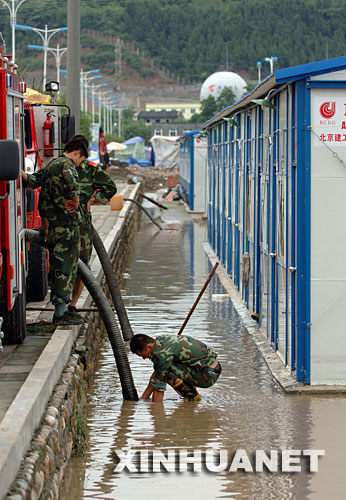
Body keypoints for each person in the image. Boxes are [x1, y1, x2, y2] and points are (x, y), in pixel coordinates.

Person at [22, 136, 89, 325]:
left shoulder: (52, 165)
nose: (78, 164)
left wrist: (20, 173)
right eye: (80, 160)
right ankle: (61, 314)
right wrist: (75, 201)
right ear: (77, 153)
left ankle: (61, 309)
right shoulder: (67, 165)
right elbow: (72, 183)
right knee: (66, 269)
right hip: (67, 226)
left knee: (58, 267)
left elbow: (34, 182)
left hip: (52, 227)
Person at [65, 135, 117, 317]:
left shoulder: (92, 170)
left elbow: (111, 188)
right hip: (62, 225)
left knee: (83, 265)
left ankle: (72, 304)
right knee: (63, 264)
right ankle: (61, 303)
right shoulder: (60, 168)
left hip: (82, 226)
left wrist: (95, 199)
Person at [130, 333, 222, 402]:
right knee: (161, 370)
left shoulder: (162, 355)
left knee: (166, 373)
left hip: (207, 376)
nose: (144, 358)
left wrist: (155, 412)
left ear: (149, 347)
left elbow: (159, 388)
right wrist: (144, 398)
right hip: (210, 368)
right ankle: (191, 391)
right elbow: (157, 374)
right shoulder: (162, 341)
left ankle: (191, 395)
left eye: (143, 355)